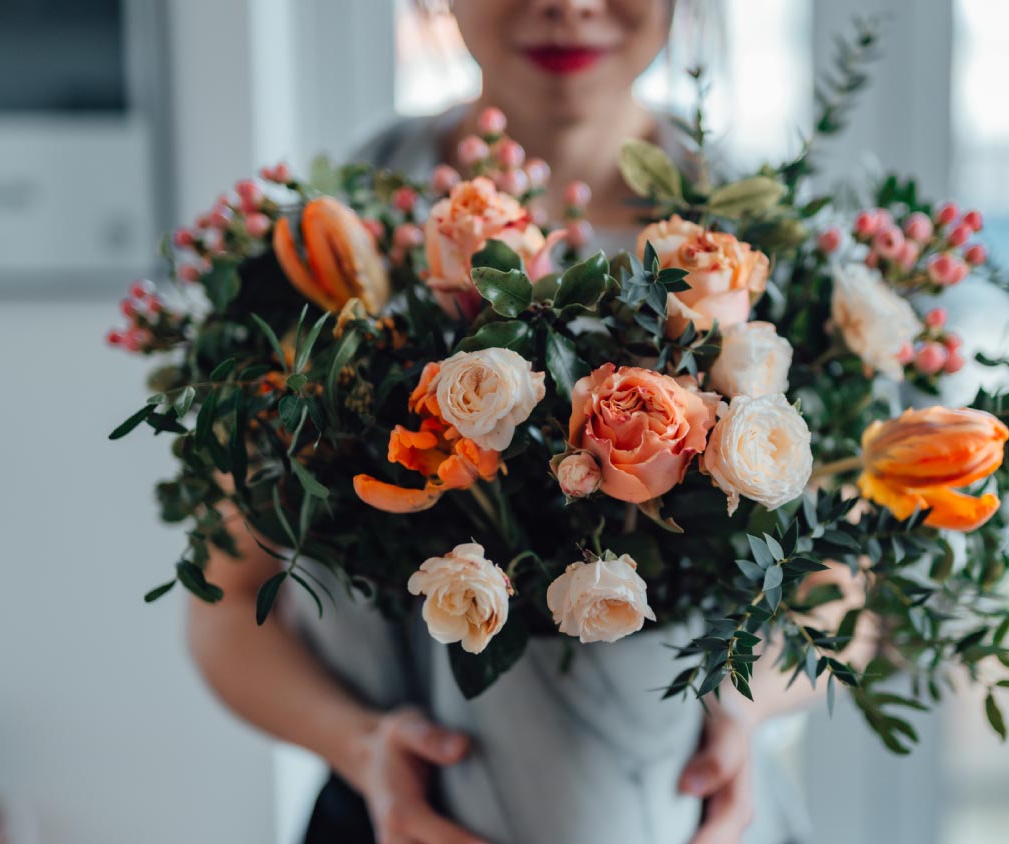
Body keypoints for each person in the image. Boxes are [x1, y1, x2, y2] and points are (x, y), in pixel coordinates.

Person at [187, 2, 870, 842]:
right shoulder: (324, 244)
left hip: (691, 815)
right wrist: (362, 749)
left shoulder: (762, 246)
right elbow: (228, 600)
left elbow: (849, 586)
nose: (568, 6)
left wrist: (738, 710)